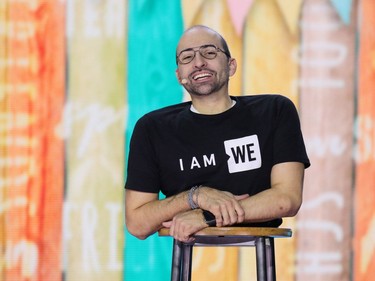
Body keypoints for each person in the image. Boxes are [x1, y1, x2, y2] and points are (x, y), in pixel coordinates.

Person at [125, 25, 310, 243]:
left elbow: (287, 199)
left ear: (231, 66)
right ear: (178, 75)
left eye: (210, 52)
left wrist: (207, 216)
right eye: (186, 57)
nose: (199, 62)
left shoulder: (275, 110)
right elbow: (137, 223)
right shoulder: (152, 128)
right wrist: (196, 197)